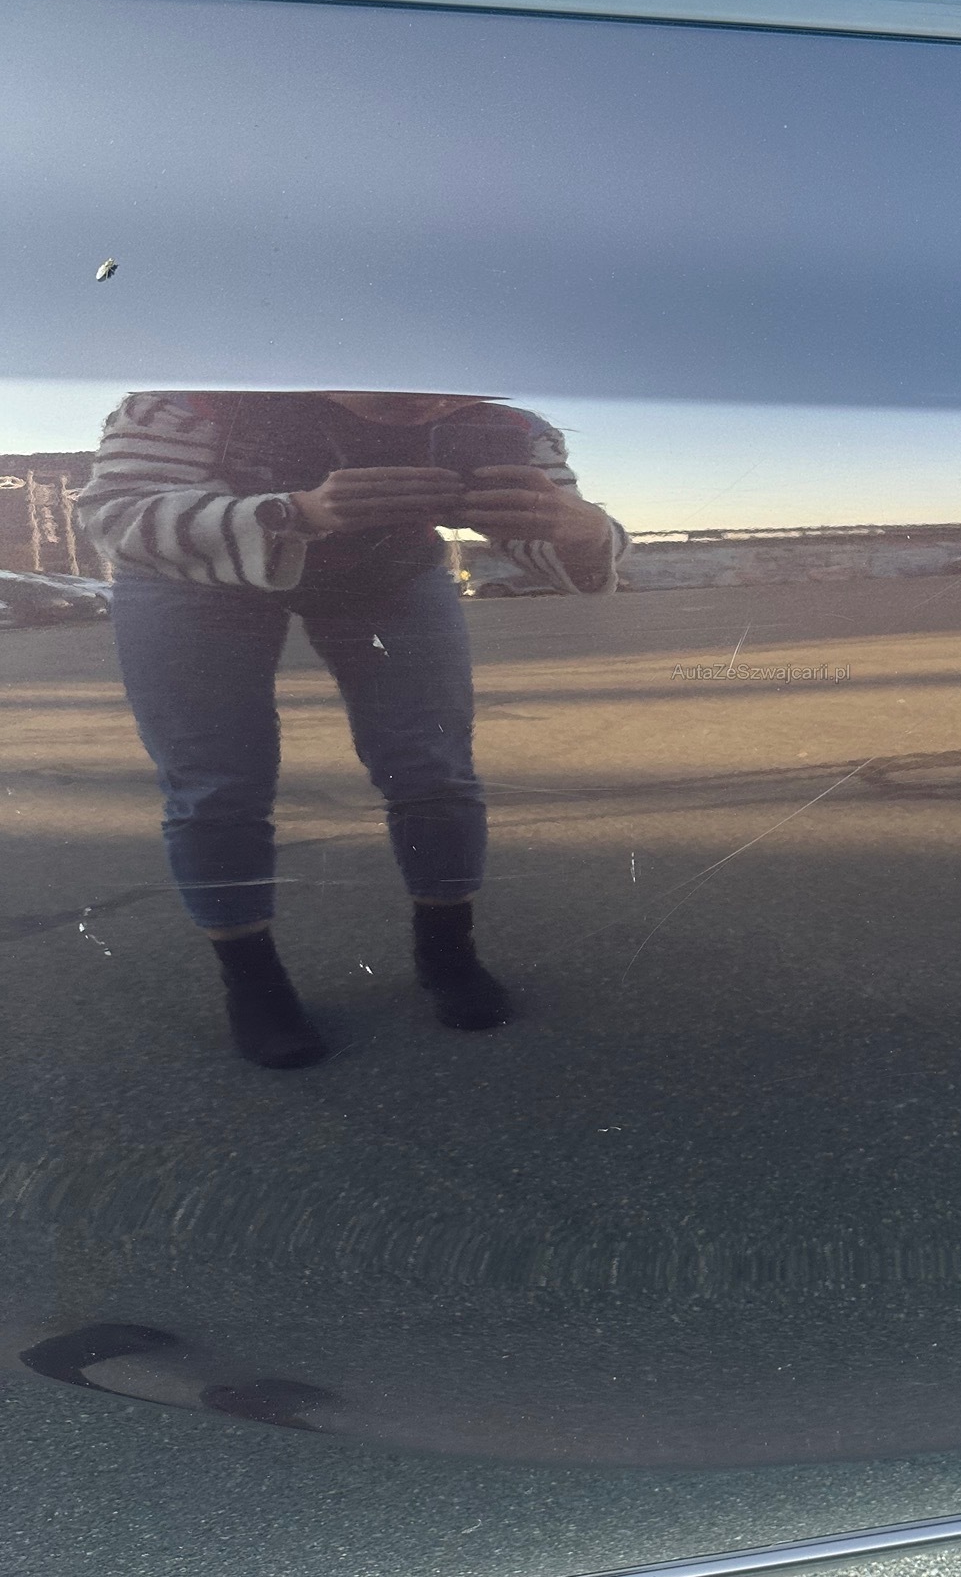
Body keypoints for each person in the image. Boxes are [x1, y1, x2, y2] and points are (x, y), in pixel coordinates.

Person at [76, 390, 625, 1069]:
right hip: (193, 575)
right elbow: (114, 516)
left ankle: (448, 952)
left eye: (442, 383)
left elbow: (557, 541)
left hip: (386, 562)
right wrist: (295, 512)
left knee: (434, 766)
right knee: (216, 784)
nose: (421, 400)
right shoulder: (192, 401)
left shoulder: (506, 424)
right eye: (389, 382)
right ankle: (252, 982)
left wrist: (584, 530)